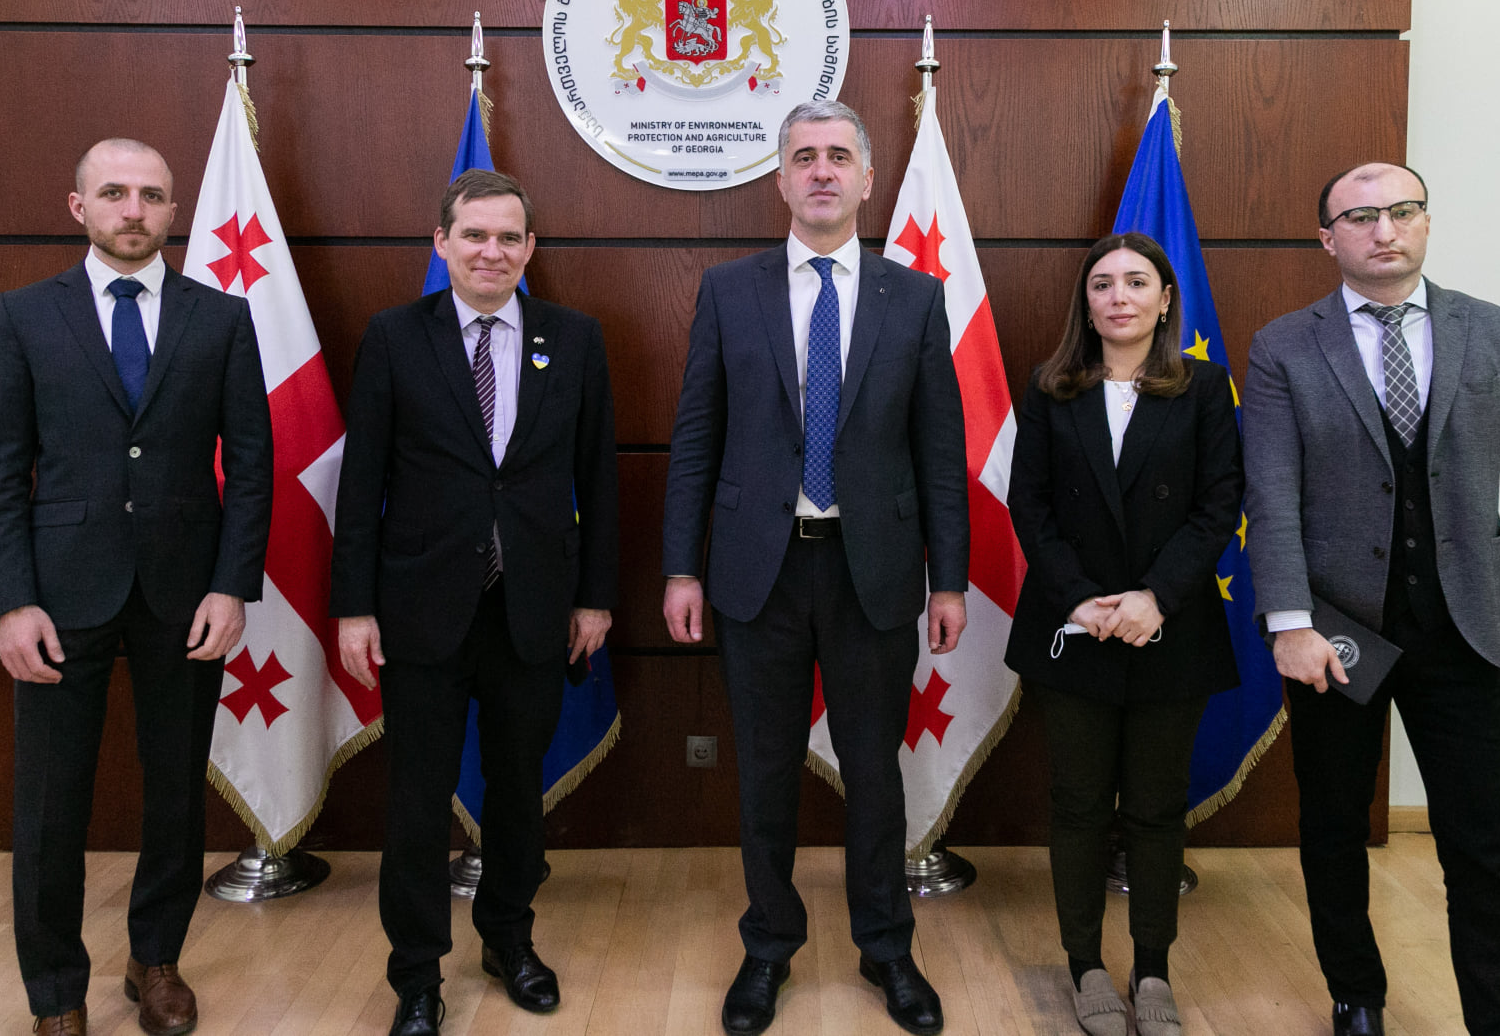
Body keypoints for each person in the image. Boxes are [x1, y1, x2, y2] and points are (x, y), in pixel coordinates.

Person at [661, 100, 970, 1036]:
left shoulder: (914, 297)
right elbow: (696, 438)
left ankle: (886, 945)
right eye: (804, 157)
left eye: (839, 156)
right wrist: (681, 569)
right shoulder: (729, 289)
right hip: (756, 571)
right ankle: (768, 945)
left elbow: (939, 449)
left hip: (872, 569)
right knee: (765, 770)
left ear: (868, 179)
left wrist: (949, 579)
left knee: (875, 771)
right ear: (781, 179)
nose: (822, 170)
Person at [1242, 163, 1500, 1036]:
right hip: (1336, 635)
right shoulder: (1283, 345)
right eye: (1360, 217)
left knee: (1485, 843)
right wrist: (1290, 624)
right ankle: (1356, 994)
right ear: (1328, 238)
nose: (1383, 229)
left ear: (1426, 222)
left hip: (1469, 628)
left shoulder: (1495, 332)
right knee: (1334, 828)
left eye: (1402, 211)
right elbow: (1270, 495)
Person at [0, 138, 273, 1036]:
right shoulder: (25, 315)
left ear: (174, 210)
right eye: (114, 193)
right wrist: (11, 601)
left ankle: (156, 960)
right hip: (57, 598)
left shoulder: (221, 318)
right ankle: (56, 991)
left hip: (186, 594)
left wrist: (232, 585)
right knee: (50, 802)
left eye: (150, 195)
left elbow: (252, 467)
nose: (133, 209)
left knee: (175, 789)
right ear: (80, 207)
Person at [330, 168, 619, 1036]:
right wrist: (353, 607)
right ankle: (417, 975)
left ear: (530, 248)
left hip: (533, 606)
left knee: (517, 789)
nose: (491, 251)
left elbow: (599, 477)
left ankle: (509, 939)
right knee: (417, 798)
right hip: (419, 609)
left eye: (508, 237)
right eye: (474, 235)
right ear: (442, 242)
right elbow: (361, 483)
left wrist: (596, 598)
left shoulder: (574, 338)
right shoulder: (394, 336)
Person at [1004, 232, 1243, 1036]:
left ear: (1166, 299)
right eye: (1103, 283)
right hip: (1075, 627)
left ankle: (1152, 968)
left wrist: (1154, 597)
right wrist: (1080, 599)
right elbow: (1030, 504)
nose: (1119, 296)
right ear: (1086, 301)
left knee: (1155, 806)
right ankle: (1085, 964)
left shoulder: (1204, 388)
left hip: (1169, 627)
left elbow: (1219, 504)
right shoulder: (1050, 387)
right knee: (1077, 803)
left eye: (1137, 282)